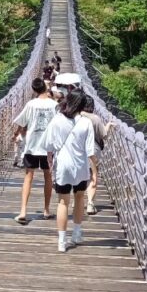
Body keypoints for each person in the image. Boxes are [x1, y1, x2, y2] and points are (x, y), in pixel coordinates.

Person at [45, 91, 98, 252]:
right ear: (82, 105)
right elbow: (90, 151)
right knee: (80, 197)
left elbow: (49, 145)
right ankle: (76, 233)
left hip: (62, 165)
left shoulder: (57, 120)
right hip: (80, 165)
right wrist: (95, 171)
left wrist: (49, 161)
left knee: (63, 202)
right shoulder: (85, 122)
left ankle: (61, 242)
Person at [13, 78, 57, 224]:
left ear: (34, 90)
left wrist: (16, 134)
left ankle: (23, 211)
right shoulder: (54, 105)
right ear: (46, 87)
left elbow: (21, 122)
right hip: (48, 147)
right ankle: (46, 210)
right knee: (48, 177)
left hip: (32, 145)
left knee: (28, 177)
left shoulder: (31, 104)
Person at [81, 94, 111, 215]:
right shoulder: (95, 118)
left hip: (78, 150)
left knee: (80, 176)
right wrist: (108, 126)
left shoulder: (76, 117)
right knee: (93, 175)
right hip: (93, 150)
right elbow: (104, 135)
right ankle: (90, 204)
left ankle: (78, 199)